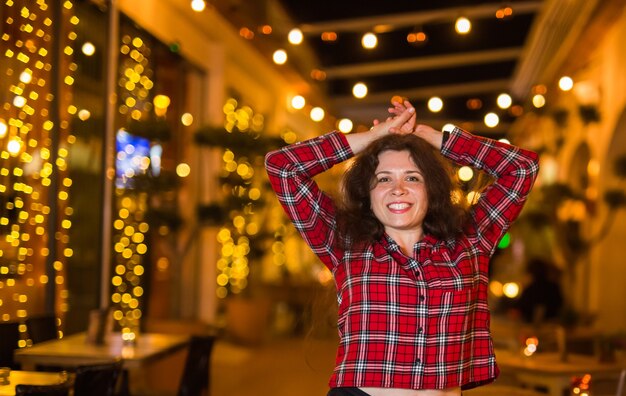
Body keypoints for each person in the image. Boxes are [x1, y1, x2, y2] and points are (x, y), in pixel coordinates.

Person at [265, 100, 539, 396]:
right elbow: (282, 167)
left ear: (431, 189)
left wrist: (435, 138)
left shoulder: (469, 242)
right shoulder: (344, 242)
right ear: (368, 193)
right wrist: (373, 138)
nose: (398, 188)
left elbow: (522, 168)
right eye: (383, 179)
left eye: (412, 177)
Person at [515, 257, 564, 324]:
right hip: (550, 325)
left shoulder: (530, 289)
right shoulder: (553, 287)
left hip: (532, 326)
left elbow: (520, 308)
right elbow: (559, 304)